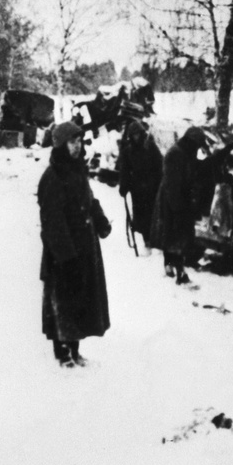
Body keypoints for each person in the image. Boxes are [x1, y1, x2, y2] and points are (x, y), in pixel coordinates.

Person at [38, 121, 112, 368]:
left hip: (84, 248)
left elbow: (89, 199)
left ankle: (75, 349)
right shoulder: (53, 176)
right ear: (60, 145)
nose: (77, 146)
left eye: (79, 141)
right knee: (62, 301)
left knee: (81, 299)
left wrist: (100, 219)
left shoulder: (78, 170)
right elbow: (53, 222)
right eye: (72, 142)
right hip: (64, 254)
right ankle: (62, 353)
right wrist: (66, 257)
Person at [151, 125, 207, 285]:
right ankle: (179, 272)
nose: (197, 149)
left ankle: (172, 267)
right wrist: (178, 209)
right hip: (172, 202)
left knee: (174, 237)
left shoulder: (186, 153)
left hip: (180, 201)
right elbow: (172, 185)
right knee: (175, 237)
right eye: (197, 145)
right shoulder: (175, 154)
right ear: (191, 142)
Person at [117, 102, 163, 252]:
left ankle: (155, 240)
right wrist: (124, 186)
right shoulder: (127, 151)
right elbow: (124, 170)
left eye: (138, 134)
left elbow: (160, 165)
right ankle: (147, 241)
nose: (136, 137)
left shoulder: (150, 146)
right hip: (138, 190)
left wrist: (161, 182)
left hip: (152, 188)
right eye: (134, 135)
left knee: (154, 215)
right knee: (141, 218)